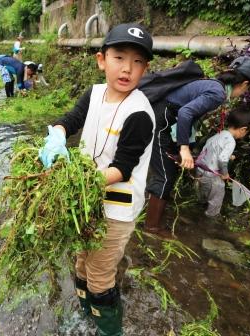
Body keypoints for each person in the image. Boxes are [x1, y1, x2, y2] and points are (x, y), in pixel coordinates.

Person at [38, 23, 155, 336]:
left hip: (117, 208)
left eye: (137, 61)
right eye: (119, 57)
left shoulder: (139, 113)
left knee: (100, 273)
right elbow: (71, 119)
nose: (127, 68)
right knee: (80, 261)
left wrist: (76, 182)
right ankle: (85, 314)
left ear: (145, 68)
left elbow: (123, 168)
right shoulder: (94, 94)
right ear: (102, 60)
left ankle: (109, 329)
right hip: (88, 202)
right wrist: (58, 135)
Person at [144, 55, 250, 236]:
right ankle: (151, 228)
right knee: (165, 175)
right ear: (245, 83)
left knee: (169, 171)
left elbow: (189, 116)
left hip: (162, 121)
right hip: (160, 122)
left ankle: (155, 213)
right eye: (247, 89)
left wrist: (187, 148)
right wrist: (184, 148)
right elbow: (185, 112)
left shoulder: (214, 86)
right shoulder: (218, 93)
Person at [197, 108, 250, 217]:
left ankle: (198, 214)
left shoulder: (220, 134)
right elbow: (222, 159)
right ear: (243, 129)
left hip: (200, 171)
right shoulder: (231, 141)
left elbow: (211, 150)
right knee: (216, 199)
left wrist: (229, 157)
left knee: (203, 198)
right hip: (212, 176)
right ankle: (210, 221)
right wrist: (225, 174)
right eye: (247, 132)